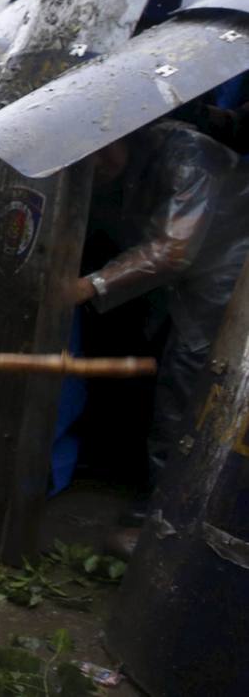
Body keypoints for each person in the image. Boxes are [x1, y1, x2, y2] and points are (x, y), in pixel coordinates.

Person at [72, 120, 249, 553]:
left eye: (102, 153)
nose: (96, 165)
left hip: (226, 273)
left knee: (191, 384)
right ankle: (159, 498)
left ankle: (170, 520)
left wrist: (91, 285)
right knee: (166, 373)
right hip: (183, 283)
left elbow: (174, 250)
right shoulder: (125, 165)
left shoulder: (188, 156)